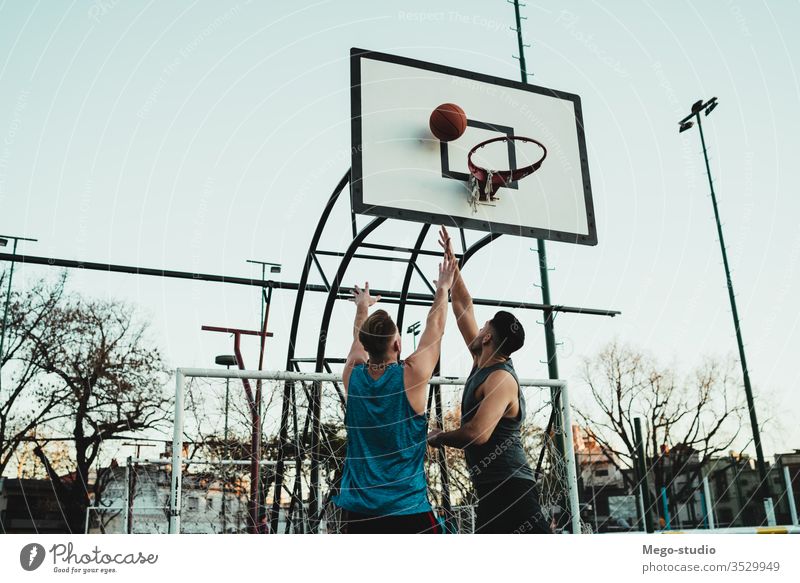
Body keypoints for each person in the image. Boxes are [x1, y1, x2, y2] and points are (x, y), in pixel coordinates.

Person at [426, 226, 551, 534]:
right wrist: (452, 262)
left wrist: (437, 436)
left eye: (484, 324)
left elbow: (477, 434)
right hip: (493, 488)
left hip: (512, 489)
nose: (478, 325)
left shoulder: (500, 380)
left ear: (487, 337)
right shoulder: (481, 357)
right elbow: (462, 307)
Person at [333, 252, 456, 533]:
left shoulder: (353, 374)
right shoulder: (410, 374)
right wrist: (443, 288)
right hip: (406, 509)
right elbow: (435, 328)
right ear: (398, 345)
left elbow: (357, 342)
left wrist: (362, 307)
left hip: (358, 513)